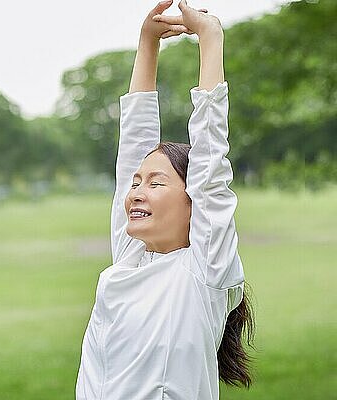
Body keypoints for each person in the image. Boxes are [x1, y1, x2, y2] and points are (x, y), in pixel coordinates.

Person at [75, 1, 255, 399]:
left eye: (156, 183)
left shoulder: (203, 270)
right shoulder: (131, 257)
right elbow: (133, 145)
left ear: (193, 202)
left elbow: (210, 163)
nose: (136, 191)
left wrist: (210, 39)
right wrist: (147, 44)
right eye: (137, 184)